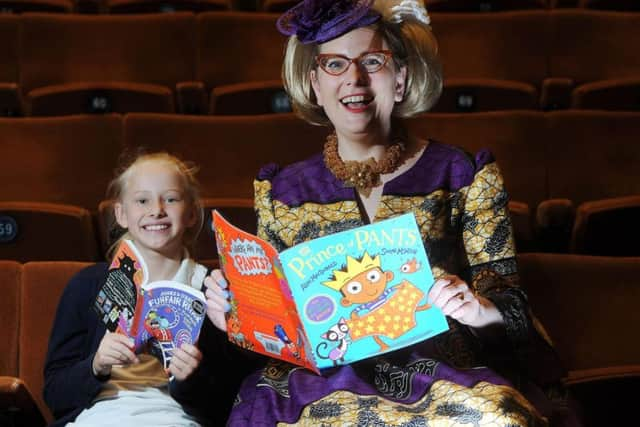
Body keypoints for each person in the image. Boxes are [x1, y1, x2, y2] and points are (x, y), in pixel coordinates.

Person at [205, 0, 582, 425]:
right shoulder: (281, 191)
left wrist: (479, 309)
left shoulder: (463, 173)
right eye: (334, 64)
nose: (354, 79)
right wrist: (235, 313)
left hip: (443, 371)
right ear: (313, 84)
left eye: (372, 61)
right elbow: (277, 328)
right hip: (315, 382)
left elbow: (510, 303)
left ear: (400, 79)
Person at [43, 152, 232, 426]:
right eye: (142, 200)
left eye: (171, 198)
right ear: (121, 214)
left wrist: (191, 378)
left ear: (191, 213)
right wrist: (95, 365)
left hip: (175, 419)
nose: (156, 209)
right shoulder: (87, 284)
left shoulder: (212, 291)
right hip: (96, 417)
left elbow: (228, 401)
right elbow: (54, 394)